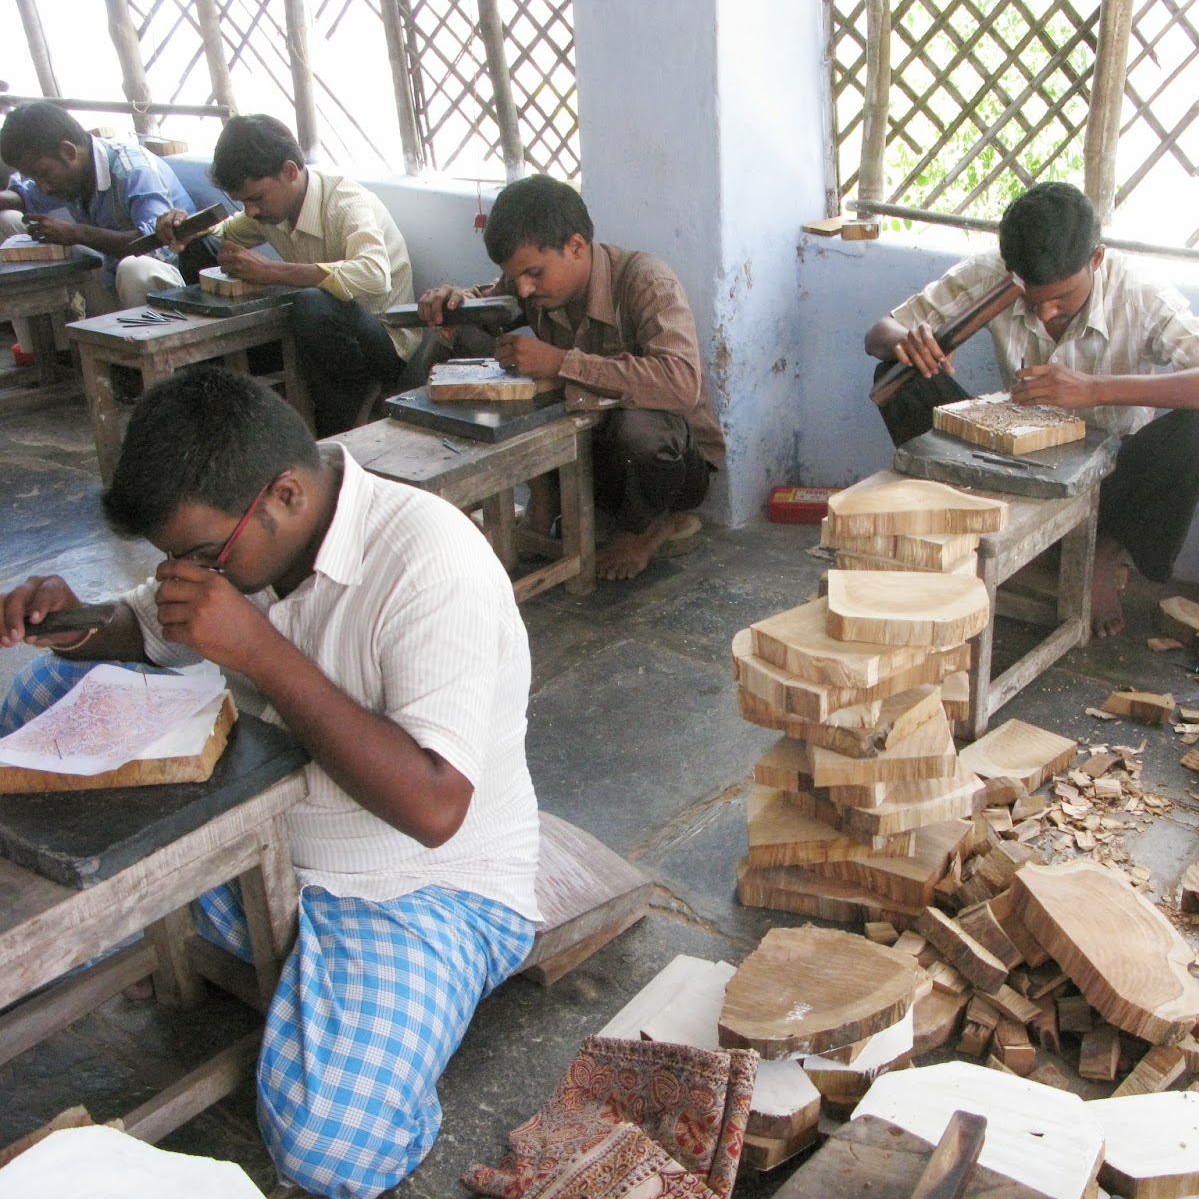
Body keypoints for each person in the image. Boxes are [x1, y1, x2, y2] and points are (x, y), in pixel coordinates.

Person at [0, 367, 541, 1197]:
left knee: (330, 1149)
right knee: (44, 695)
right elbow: (151, 628)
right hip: (274, 835)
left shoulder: (433, 564)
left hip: (413, 886)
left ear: (286, 494)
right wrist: (78, 624)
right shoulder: (254, 537)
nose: (189, 574)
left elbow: (435, 808)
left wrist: (258, 650)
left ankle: (340, 997)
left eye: (202, 556)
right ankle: (294, 983)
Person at [865, 181, 1199, 636]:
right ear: (1011, 271)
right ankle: (977, 534)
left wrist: (1095, 390)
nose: (1046, 313)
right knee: (896, 380)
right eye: (1033, 297)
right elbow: (879, 334)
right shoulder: (996, 274)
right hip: (1011, 465)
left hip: (1109, 483)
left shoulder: (1139, 292)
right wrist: (908, 343)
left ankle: (1101, 555)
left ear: (1097, 259)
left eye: (1062, 298)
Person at [416, 174, 725, 582]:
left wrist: (563, 362)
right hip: (587, 448)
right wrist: (454, 303)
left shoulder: (647, 281)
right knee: (464, 338)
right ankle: (545, 498)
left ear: (576, 246)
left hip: (670, 467)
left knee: (641, 430)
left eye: (535, 274)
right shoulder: (527, 283)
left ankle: (649, 527)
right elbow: (491, 299)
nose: (524, 290)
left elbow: (681, 383)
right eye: (517, 277)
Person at [154, 114, 420, 436]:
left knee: (312, 304)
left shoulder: (346, 203)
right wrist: (185, 229)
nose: (250, 211)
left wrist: (270, 271)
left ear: (290, 172)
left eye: (255, 199)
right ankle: (229, 396)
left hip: (383, 339)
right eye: (243, 202)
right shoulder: (268, 211)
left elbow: (375, 275)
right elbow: (220, 234)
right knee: (200, 249)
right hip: (314, 331)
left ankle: (347, 418)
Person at [0, 101, 192, 356]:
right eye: (35, 178)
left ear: (68, 152)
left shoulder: (134, 170)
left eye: (44, 174)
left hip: (171, 297)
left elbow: (155, 243)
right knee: (9, 219)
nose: (43, 186)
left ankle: (156, 364)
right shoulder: (64, 174)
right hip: (109, 291)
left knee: (136, 268)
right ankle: (54, 353)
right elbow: (26, 195)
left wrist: (77, 233)